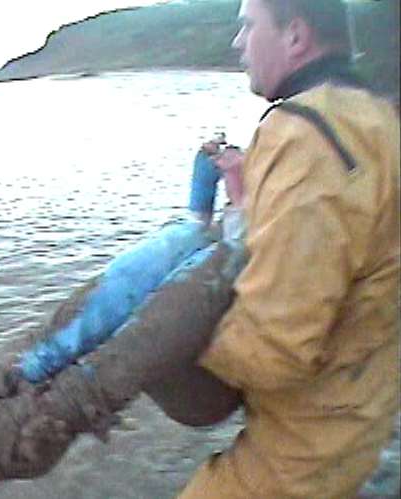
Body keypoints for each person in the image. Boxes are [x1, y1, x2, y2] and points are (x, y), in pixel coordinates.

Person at [177, 0, 400, 497]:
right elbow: (338, 242)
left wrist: (174, 350)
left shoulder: (305, 138)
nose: (238, 43)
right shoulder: (376, 117)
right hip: (361, 421)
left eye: (248, 27)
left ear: (296, 37)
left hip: (302, 459)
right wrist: (246, 204)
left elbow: (272, 347)